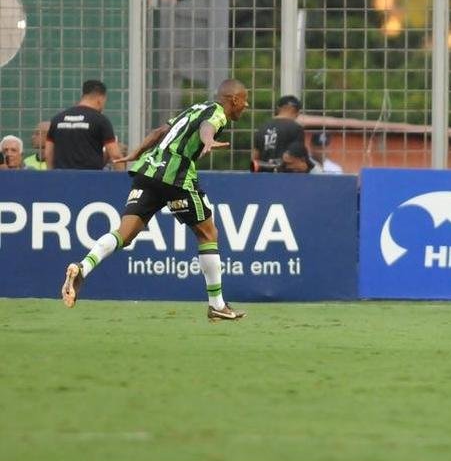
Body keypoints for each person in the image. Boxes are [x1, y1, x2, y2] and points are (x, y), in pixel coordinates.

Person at [60, 79, 251, 321]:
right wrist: (208, 140)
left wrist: (136, 153)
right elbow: (208, 126)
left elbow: (160, 132)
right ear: (234, 100)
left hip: (147, 171)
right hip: (176, 177)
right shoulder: (217, 113)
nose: (246, 105)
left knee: (124, 233)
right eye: (244, 100)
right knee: (208, 234)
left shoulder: (195, 108)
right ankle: (217, 305)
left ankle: (83, 268)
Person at [46, 80, 123, 169]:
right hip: (90, 179)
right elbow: (115, 155)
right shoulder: (100, 120)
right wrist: (123, 180)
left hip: (62, 178)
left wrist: (52, 176)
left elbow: (48, 153)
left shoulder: (57, 119)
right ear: (100, 99)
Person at [251, 94, 304, 172]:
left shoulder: (262, 127)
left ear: (278, 109)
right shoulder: (296, 128)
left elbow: (254, 158)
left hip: (263, 178)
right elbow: (291, 158)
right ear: (297, 112)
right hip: (285, 179)